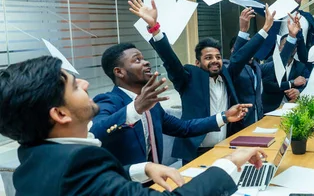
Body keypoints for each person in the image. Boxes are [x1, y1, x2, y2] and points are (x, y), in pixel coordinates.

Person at [0, 55, 266, 196]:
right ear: (59, 114)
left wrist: (140, 168)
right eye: (74, 85)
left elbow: (81, 191)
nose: (86, 84)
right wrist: (231, 161)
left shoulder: (34, 158)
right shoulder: (78, 162)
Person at [129, 0, 275, 164]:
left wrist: (265, 29)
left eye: (218, 57)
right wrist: (155, 29)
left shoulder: (227, 75)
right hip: (196, 151)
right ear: (197, 62)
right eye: (208, 57)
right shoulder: (188, 78)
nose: (215, 60)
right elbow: (170, 60)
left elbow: (242, 56)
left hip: (225, 147)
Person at [91, 43, 252, 166]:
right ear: (119, 72)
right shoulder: (109, 100)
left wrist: (224, 116)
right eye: (137, 60)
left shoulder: (152, 105)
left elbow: (184, 128)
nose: (146, 63)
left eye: (144, 58)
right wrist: (136, 108)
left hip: (154, 182)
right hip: (125, 189)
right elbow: (95, 132)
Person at [226, 7, 264, 130]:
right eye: (246, 48)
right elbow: (235, 62)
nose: (249, 51)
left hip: (258, 121)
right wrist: (243, 31)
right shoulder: (229, 67)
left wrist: (291, 37)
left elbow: (277, 65)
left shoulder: (256, 67)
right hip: (240, 124)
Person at [261, 15, 309, 113]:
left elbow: (308, 83)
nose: (290, 48)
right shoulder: (270, 61)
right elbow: (267, 84)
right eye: (285, 45)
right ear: (279, 47)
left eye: (293, 46)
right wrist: (291, 83)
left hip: (293, 108)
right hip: (271, 108)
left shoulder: (300, 66)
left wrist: (298, 92)